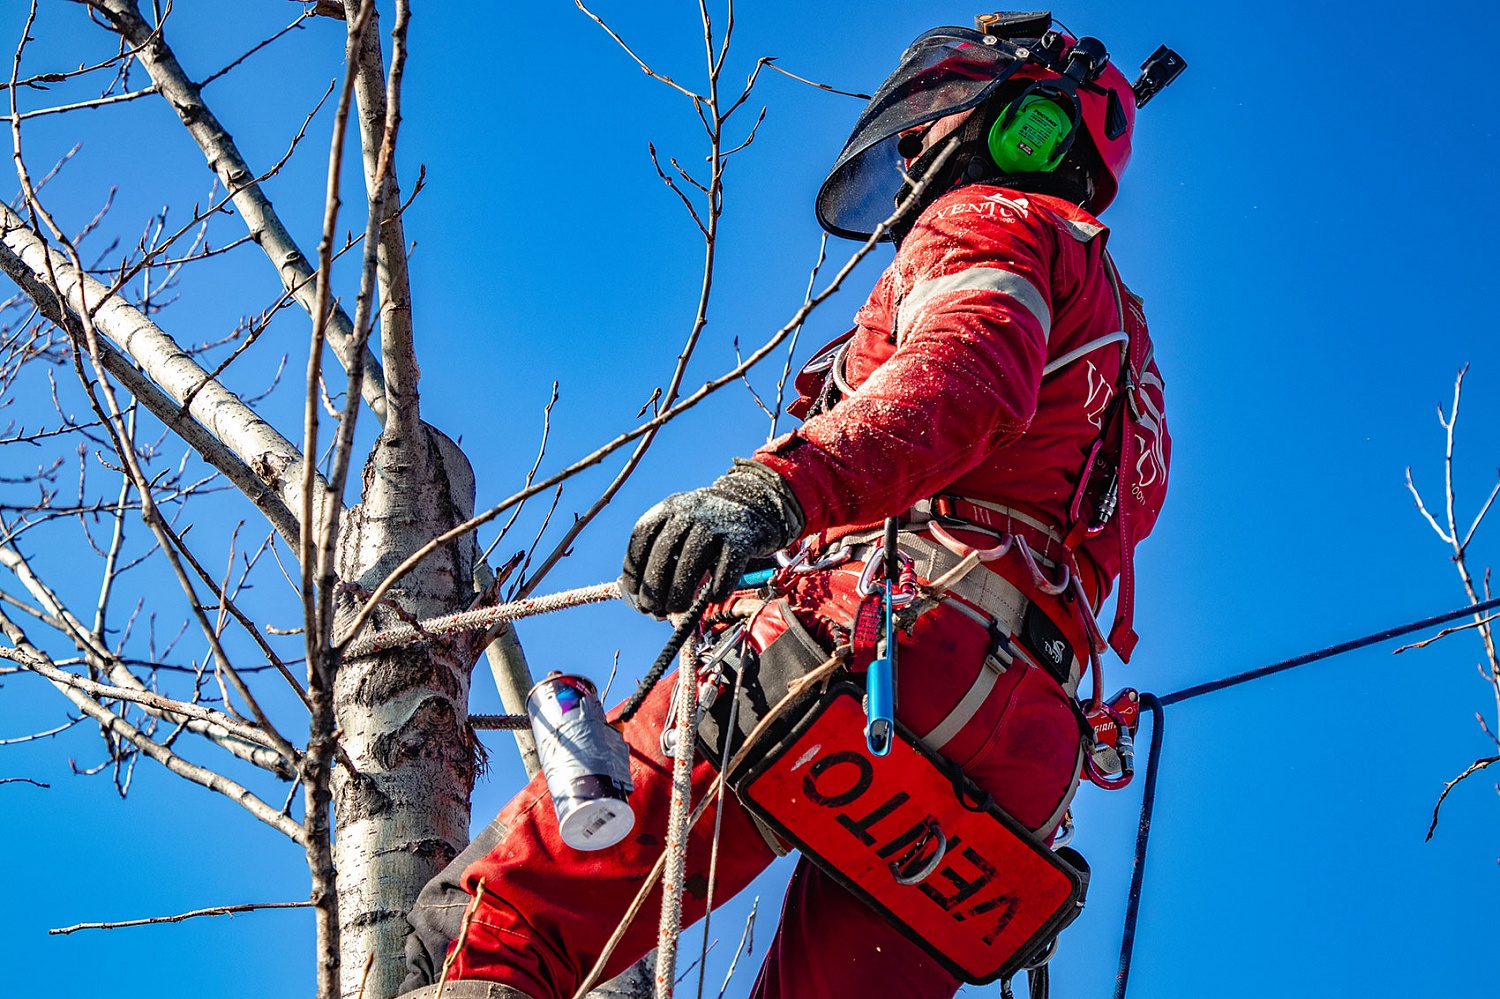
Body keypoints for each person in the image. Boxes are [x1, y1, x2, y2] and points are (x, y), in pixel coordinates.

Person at [401, 12, 1181, 999]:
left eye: (932, 120)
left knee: (504, 922)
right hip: (1028, 752)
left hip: (885, 639)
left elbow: (967, 378)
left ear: (1025, 125)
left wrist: (771, 491)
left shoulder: (992, 221)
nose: (911, 154)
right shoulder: (1123, 347)